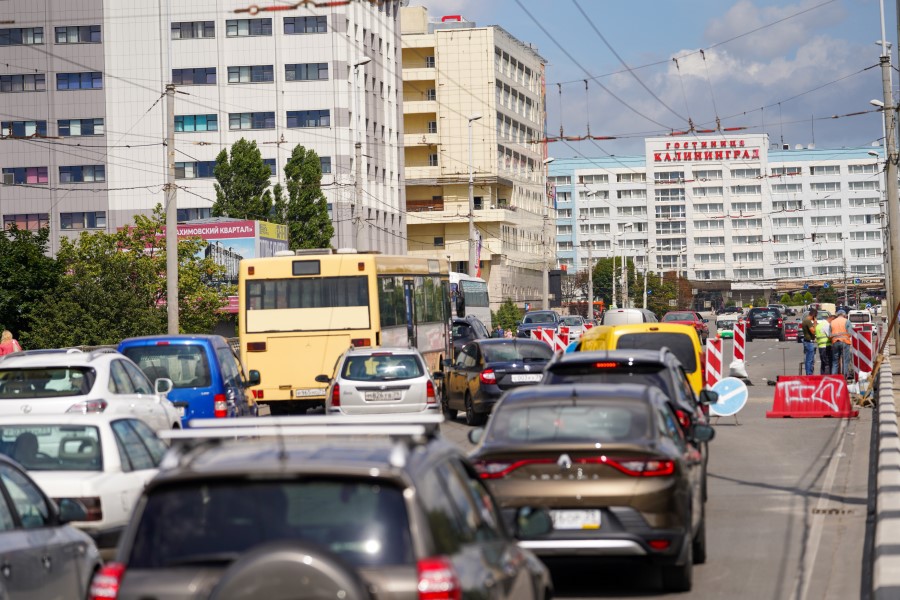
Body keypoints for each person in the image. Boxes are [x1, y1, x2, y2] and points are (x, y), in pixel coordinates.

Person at [830, 309, 853, 378]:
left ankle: (833, 377)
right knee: (845, 360)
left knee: (835, 361)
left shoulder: (832, 322)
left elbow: (830, 334)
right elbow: (850, 333)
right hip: (844, 342)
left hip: (835, 342)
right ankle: (844, 377)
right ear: (844, 315)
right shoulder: (847, 321)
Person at [801, 309, 818, 376]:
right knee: (809, 359)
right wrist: (815, 323)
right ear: (813, 315)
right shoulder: (808, 321)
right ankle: (809, 374)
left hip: (807, 341)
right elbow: (813, 331)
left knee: (809, 359)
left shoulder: (805, 320)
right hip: (809, 342)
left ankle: (809, 373)